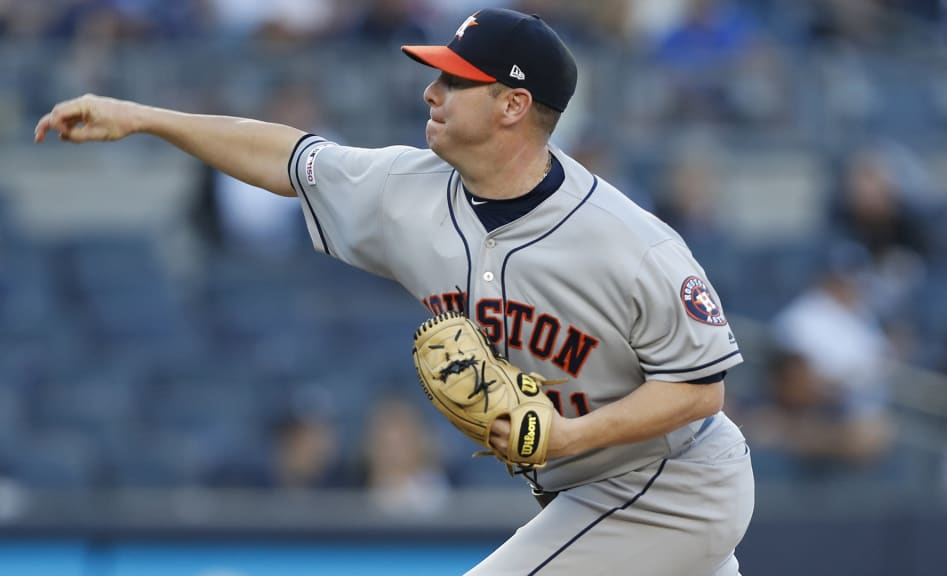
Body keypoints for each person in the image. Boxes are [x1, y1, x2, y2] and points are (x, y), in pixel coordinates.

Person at [35, 8, 754, 575]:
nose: (430, 91)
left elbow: (700, 389)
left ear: (512, 106)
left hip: (672, 482)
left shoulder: (631, 244)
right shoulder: (407, 190)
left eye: (455, 81)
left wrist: (569, 434)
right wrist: (145, 117)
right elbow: (286, 157)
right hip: (590, 489)